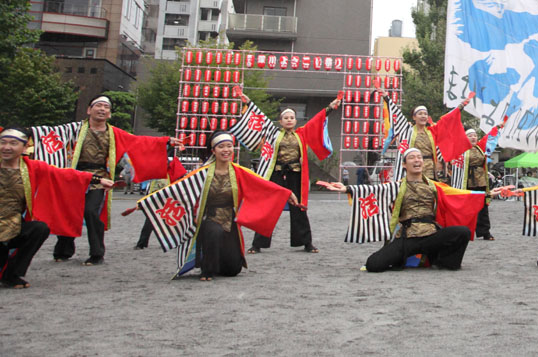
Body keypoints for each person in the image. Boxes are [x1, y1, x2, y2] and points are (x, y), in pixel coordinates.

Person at [28, 96, 182, 265]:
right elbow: (50, 133)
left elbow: (138, 141)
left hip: (100, 178)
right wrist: (25, 133)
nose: (102, 109)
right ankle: (64, 249)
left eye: (106, 107)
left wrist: (166, 140)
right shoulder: (75, 129)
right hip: (75, 176)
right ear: (89, 110)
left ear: (109, 114)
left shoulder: (114, 133)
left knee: (92, 212)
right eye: (98, 106)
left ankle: (97, 253)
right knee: (69, 210)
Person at [138, 130, 296, 281]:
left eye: (229, 146)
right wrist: (144, 204)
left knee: (232, 270)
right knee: (213, 231)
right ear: (213, 150)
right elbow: (178, 190)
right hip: (208, 217)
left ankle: (216, 260)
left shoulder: (239, 171)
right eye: (221, 147)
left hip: (230, 219)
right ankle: (207, 266)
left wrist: (286, 193)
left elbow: (262, 185)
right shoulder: (202, 173)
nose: (226, 150)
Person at [323, 148, 491, 271]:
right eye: (412, 157)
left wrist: (485, 194)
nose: (417, 160)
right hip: (408, 237)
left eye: (419, 157)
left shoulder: (434, 186)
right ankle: (404, 258)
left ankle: (444, 261)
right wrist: (347, 189)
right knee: (373, 265)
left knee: (462, 232)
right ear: (404, 164)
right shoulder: (397, 186)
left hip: (431, 234)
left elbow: (460, 194)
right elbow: (374, 191)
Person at [0, 127, 113, 288]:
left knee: (39, 229)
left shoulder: (32, 168)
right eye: (3, 142)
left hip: (12, 226)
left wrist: (97, 179)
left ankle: (12, 274)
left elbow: (63, 174)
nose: (7, 147)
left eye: (13, 143)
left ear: (25, 148)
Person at [233, 92, 337, 254]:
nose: (289, 120)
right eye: (286, 117)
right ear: (280, 121)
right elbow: (260, 117)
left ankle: (306, 242)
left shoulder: (301, 133)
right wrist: (248, 102)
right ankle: (257, 244)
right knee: (268, 207)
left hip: (295, 174)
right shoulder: (273, 133)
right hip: (277, 174)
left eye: (292, 117)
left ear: (295, 121)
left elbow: (317, 120)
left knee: (299, 207)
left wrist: (330, 107)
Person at [450, 126, 503, 240]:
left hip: (481, 180)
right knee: (467, 207)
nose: (473, 137)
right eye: (470, 136)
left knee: (483, 207)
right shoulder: (461, 149)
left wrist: (497, 127)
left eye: (474, 135)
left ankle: (485, 232)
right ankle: (465, 231)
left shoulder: (480, 148)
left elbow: (488, 137)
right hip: (467, 180)